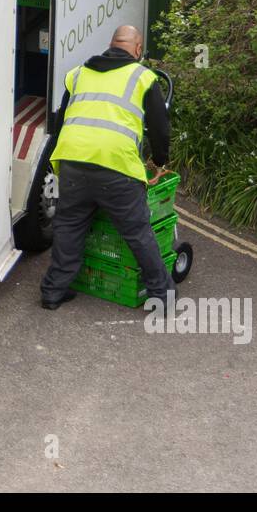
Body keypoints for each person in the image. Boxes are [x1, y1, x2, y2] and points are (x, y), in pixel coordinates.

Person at [40, 24, 174, 310]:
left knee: (68, 226)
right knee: (137, 232)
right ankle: (162, 296)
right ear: (138, 50)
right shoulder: (143, 77)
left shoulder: (78, 74)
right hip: (117, 168)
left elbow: (62, 120)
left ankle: (53, 291)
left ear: (111, 44)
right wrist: (160, 161)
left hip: (73, 162)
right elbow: (160, 128)